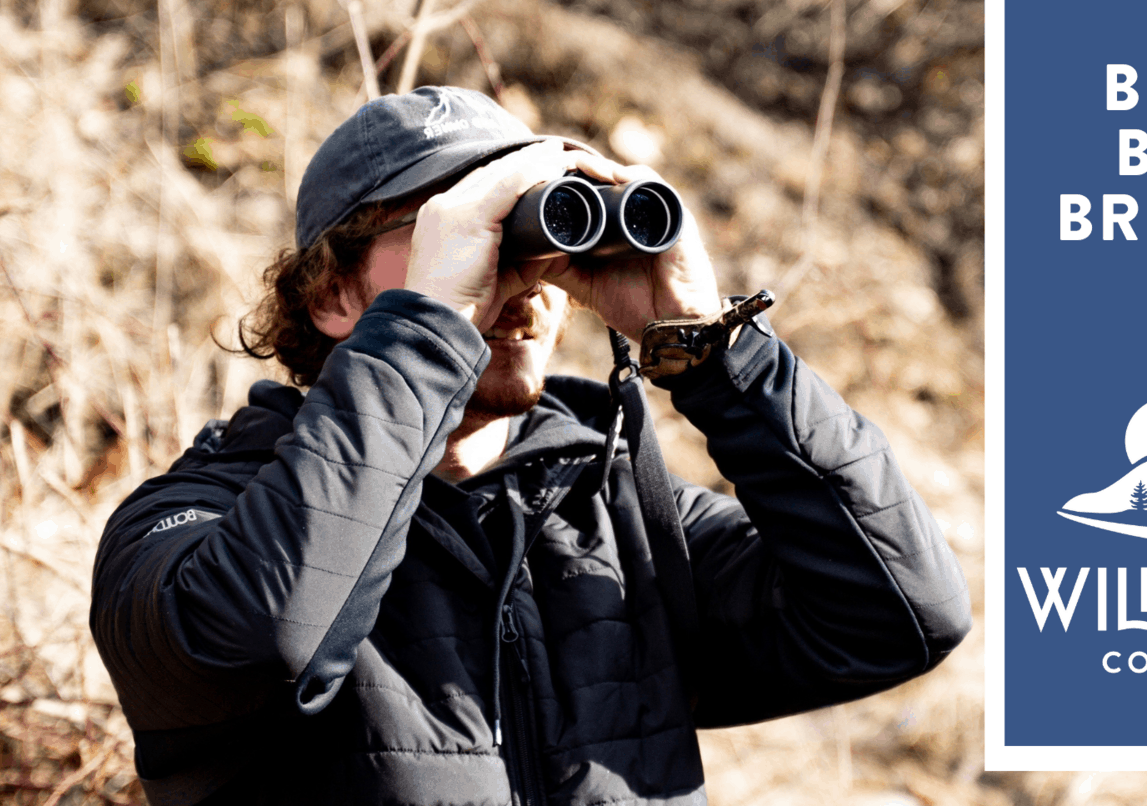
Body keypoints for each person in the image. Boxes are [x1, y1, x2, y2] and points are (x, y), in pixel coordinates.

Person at [89, 86, 971, 806]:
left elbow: (901, 614)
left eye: (528, 237)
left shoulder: (614, 518)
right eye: (452, 233)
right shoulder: (197, 523)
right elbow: (257, 639)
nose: (519, 283)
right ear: (330, 295)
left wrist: (713, 350)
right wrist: (430, 332)